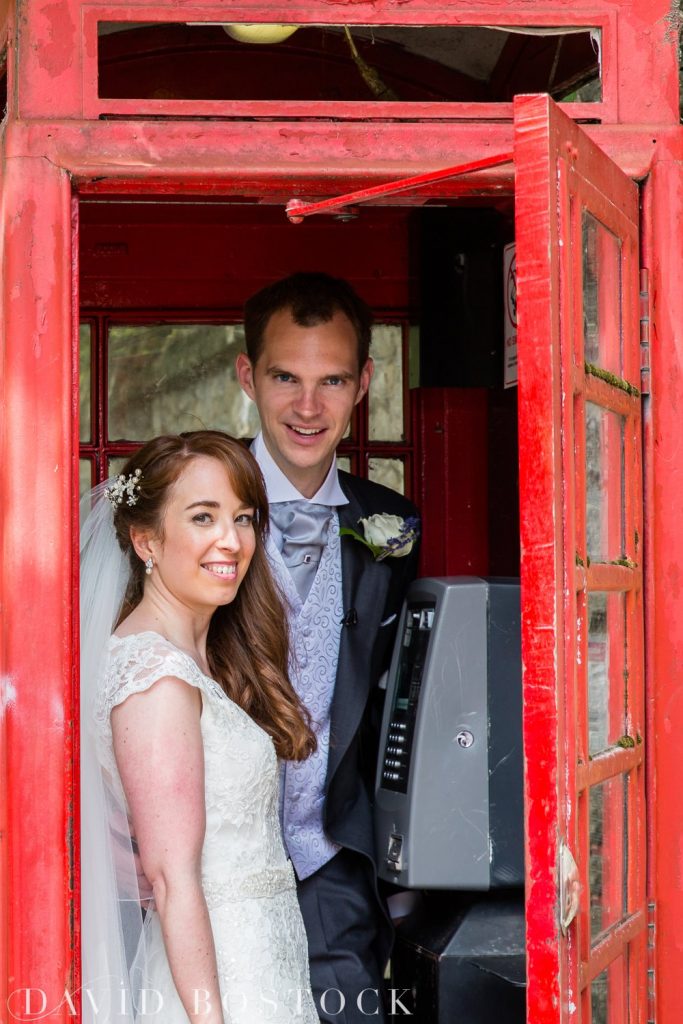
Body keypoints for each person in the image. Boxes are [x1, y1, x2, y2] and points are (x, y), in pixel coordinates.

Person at [80, 431, 319, 1024]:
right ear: (145, 541)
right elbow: (170, 878)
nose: (230, 541)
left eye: (242, 517)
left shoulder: (196, 656)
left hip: (262, 963)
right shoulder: (155, 678)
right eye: (203, 517)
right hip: (219, 987)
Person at [235, 272, 420, 1023]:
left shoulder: (392, 524)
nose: (307, 407)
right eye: (285, 376)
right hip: (203, 859)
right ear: (247, 376)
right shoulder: (187, 497)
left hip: (331, 862)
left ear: (363, 383)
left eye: (331, 379)